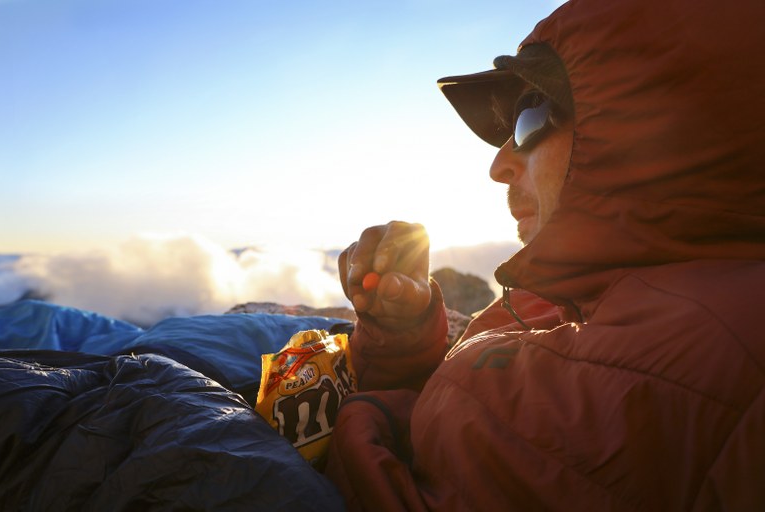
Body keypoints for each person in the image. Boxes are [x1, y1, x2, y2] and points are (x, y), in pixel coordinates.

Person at [325, 0, 765, 509]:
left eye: (530, 118)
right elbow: (442, 423)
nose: (499, 165)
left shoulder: (739, 372)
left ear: (656, 125)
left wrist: (356, 418)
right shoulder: (547, 296)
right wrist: (402, 334)